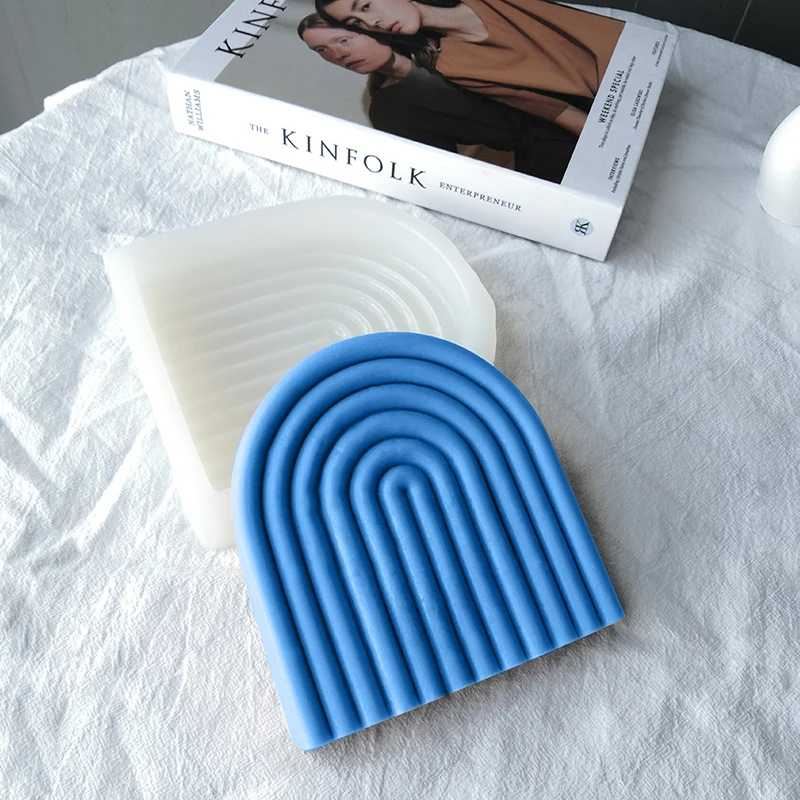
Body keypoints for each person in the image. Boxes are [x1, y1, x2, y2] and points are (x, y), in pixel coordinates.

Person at [299, 14, 578, 182]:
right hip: (553, 158)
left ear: (370, 29)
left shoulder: (444, 40)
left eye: (343, 40)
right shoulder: (389, 109)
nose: (337, 55)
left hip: (577, 99)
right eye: (321, 50)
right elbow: (448, 177)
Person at [315, 0, 625, 135]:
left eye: (366, 6)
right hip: (620, 104)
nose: (373, 22)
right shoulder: (454, 65)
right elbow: (559, 113)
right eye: (357, 22)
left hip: (632, 47)